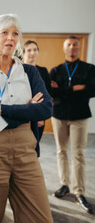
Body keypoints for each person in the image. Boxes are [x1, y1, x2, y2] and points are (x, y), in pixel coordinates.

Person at [0, 14, 53, 222]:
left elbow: (45, 109)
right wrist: (26, 111)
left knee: (40, 216)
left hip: (26, 149)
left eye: (15, 33)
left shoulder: (30, 72)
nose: (10, 38)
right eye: (4, 32)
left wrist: (1, 109)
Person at [50, 36, 95, 214]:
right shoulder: (56, 70)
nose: (72, 48)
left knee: (78, 154)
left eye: (75, 45)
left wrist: (63, 91)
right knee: (61, 151)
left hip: (79, 116)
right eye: (68, 45)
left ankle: (79, 192)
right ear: (64, 48)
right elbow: (52, 91)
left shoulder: (90, 69)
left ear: (79, 48)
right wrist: (75, 88)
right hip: (59, 115)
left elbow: (92, 90)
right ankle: (64, 185)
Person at [23, 40, 51, 140]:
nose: (33, 53)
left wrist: (41, 116)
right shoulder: (18, 70)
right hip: (22, 111)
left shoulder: (43, 71)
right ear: (23, 53)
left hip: (39, 113)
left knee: (35, 144)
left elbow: (47, 94)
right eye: (29, 50)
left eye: (35, 50)